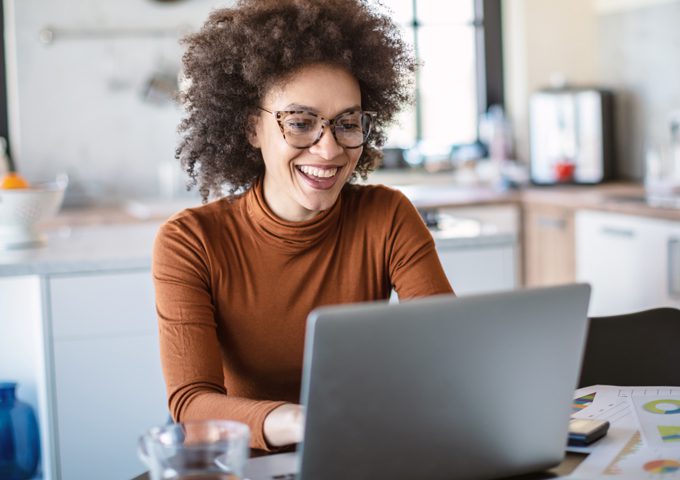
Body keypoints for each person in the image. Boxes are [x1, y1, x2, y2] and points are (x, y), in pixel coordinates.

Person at [152, 0, 454, 452]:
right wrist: (302, 422)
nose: (329, 149)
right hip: (250, 462)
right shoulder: (190, 241)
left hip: (362, 449)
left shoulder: (388, 217)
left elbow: (450, 351)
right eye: (300, 123)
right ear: (251, 128)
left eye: (346, 123)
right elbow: (192, 403)